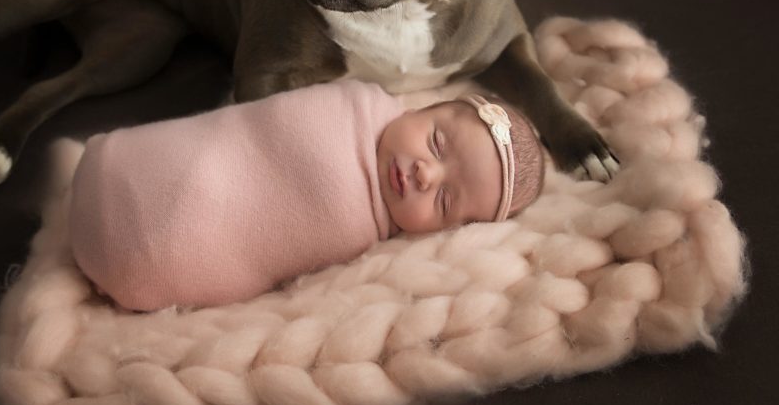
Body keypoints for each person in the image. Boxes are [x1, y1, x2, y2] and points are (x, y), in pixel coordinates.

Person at [68, 80, 546, 312]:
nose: (425, 173)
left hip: (143, 265)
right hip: (125, 171)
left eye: (444, 201)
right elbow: (262, 127)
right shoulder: (358, 104)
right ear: (420, 107)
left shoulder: (372, 252)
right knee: (205, 160)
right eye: (437, 143)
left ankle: (140, 265)